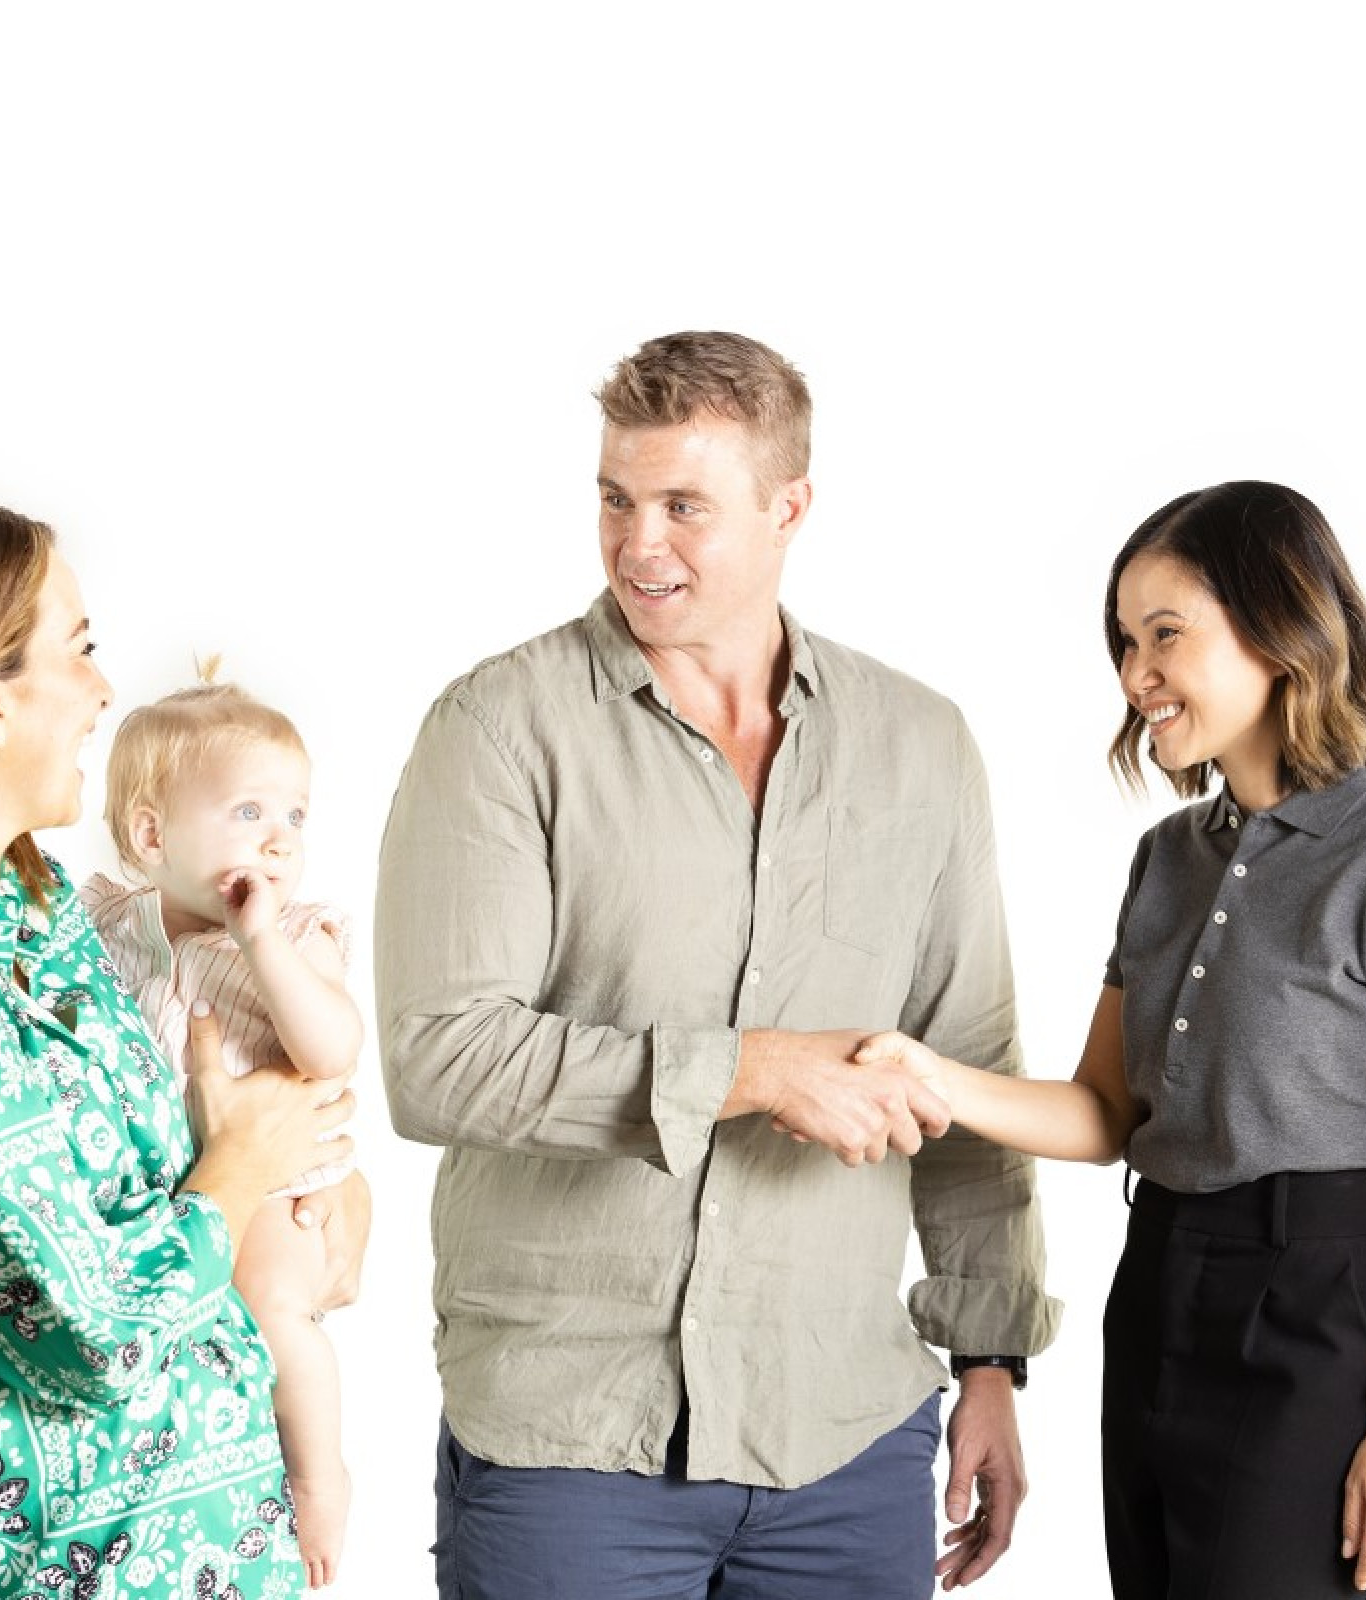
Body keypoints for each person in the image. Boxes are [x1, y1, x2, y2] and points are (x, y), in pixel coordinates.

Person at [375, 331, 1058, 1599]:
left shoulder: (921, 746)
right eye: (615, 499)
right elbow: (440, 1060)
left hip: (846, 1434)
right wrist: (749, 1072)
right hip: (569, 1442)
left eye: (684, 505)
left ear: (790, 507)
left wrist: (989, 1360)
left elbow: (969, 1069)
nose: (640, 544)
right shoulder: (497, 728)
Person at [859, 481, 1366, 1599]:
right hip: (1160, 1281)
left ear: (1283, 627)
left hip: (1319, 1310)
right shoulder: (1170, 858)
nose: (1133, 676)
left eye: (1166, 636)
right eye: (1123, 641)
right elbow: (1106, 1112)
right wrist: (925, 1074)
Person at [0, 502, 356, 1599]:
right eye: (81, 650)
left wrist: (322, 1184)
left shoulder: (43, 914)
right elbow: (90, 1336)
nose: (105, 689)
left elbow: (165, 1166)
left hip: (212, 1546)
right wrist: (242, 1169)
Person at [81, 682, 365, 1590]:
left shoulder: (295, 935)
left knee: (275, 1310)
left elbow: (334, 1049)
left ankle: (319, 1479)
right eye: (249, 813)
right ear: (153, 836)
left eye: (294, 813)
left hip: (277, 1185)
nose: (281, 837)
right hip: (171, 1192)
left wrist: (263, 948)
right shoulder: (105, 924)